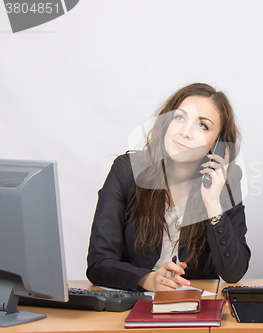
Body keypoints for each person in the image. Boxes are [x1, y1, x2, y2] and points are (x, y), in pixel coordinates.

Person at [87, 83, 250, 291]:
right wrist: (148, 279)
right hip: (132, 304)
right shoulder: (127, 171)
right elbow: (99, 263)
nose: (185, 132)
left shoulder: (226, 181)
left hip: (196, 308)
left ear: (217, 144)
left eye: (203, 126)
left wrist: (213, 204)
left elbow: (233, 273)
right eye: (179, 117)